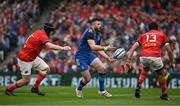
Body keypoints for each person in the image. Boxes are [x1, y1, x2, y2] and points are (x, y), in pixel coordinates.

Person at [5, 23, 71, 96]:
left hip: (32, 56)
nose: (52, 33)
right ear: (49, 31)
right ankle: (8, 90)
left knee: (45, 68)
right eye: (52, 31)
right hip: (25, 58)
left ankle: (35, 88)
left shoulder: (39, 32)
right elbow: (49, 46)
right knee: (26, 81)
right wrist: (63, 48)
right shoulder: (42, 36)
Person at [126, 22, 175, 100]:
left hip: (143, 57)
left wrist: (128, 60)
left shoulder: (143, 35)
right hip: (155, 56)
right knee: (161, 74)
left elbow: (132, 48)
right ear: (157, 28)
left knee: (145, 69)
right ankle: (164, 94)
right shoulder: (161, 35)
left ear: (148, 28)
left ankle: (139, 84)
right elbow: (169, 51)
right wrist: (172, 62)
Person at [75, 18, 117, 98]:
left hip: (89, 55)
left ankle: (102, 90)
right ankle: (78, 88)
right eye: (98, 24)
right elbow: (93, 47)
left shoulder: (98, 35)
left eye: (101, 24)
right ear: (93, 25)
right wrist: (105, 48)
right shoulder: (89, 32)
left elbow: (98, 49)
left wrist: (107, 57)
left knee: (102, 69)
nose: (100, 26)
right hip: (80, 57)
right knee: (87, 79)